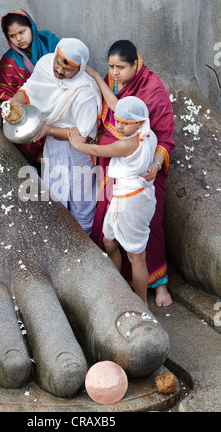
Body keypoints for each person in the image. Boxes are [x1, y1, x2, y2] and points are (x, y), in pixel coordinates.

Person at [86, 40, 175, 307]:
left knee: (152, 228)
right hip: (116, 170)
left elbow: (166, 137)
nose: (114, 73)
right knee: (109, 228)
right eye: (111, 66)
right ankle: (122, 284)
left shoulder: (153, 89)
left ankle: (160, 285)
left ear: (136, 64)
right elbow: (111, 106)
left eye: (121, 68)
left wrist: (157, 165)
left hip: (145, 172)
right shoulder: (111, 82)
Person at [8, 38, 102, 235]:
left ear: (80, 68)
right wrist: (14, 103)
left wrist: (48, 130)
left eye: (67, 68)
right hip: (53, 143)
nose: (59, 69)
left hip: (80, 152)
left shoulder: (85, 91)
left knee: (81, 199)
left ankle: (85, 245)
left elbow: (83, 135)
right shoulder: (45, 63)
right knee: (54, 192)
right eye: (58, 61)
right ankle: (58, 239)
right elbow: (30, 89)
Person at [68, 96, 157, 305]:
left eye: (125, 123)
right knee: (109, 242)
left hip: (132, 200)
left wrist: (76, 143)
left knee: (136, 256)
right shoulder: (149, 135)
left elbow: (100, 151)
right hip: (125, 195)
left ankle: (142, 302)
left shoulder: (130, 143)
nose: (119, 126)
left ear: (139, 122)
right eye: (117, 121)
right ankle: (120, 289)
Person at [0, 9, 59, 169]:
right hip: (32, 116)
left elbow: (69, 68)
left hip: (61, 108)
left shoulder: (50, 42)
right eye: (13, 36)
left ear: (31, 27)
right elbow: (6, 97)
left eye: (22, 32)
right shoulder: (9, 62)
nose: (19, 39)